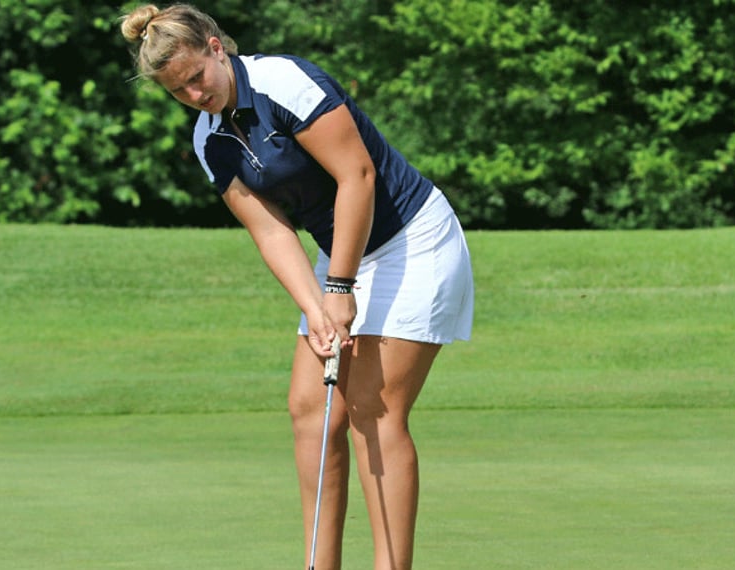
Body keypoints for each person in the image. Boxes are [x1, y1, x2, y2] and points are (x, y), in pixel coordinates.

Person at [120, 4, 473, 569]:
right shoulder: (210, 139)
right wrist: (317, 307)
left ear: (217, 48)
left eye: (196, 78)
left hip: (411, 238)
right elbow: (272, 232)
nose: (192, 95)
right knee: (310, 408)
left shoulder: (285, 81)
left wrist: (339, 285)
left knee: (371, 408)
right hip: (337, 253)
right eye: (176, 91)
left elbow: (356, 176)